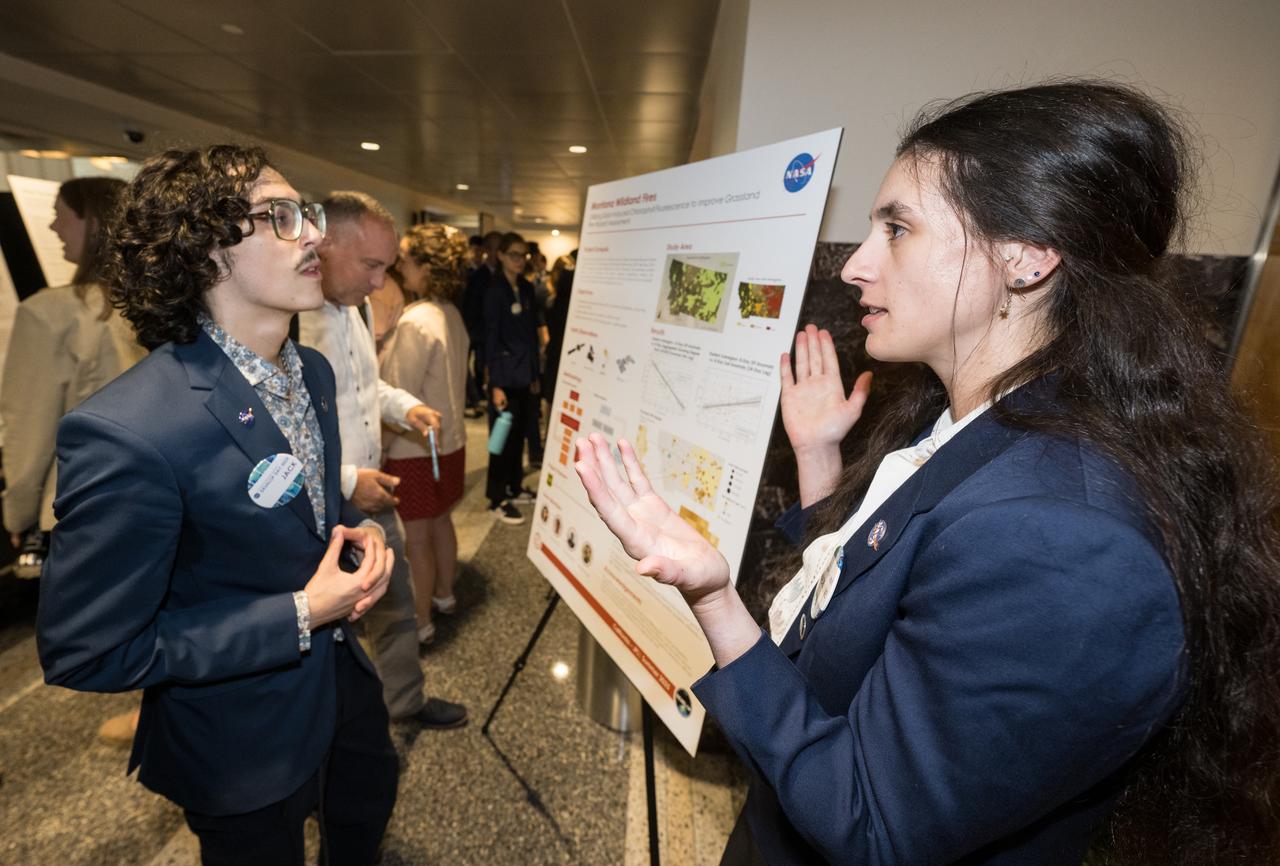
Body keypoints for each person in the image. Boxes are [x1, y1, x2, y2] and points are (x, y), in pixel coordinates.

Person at [574, 82, 1280, 865]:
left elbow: (871, 823)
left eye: (897, 228)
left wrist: (712, 597)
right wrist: (819, 460)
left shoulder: (1067, 539)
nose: (856, 266)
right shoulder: (969, 419)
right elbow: (881, 604)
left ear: (1029, 255)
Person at [37, 145, 401, 866]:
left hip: (344, 694)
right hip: (240, 743)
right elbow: (89, 648)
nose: (314, 236)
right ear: (204, 250)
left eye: (312, 216)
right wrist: (302, 612)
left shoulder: (315, 373)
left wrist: (353, 543)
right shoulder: (131, 428)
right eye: (283, 218)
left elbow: (299, 523)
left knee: (362, 821)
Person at [298, 191, 467, 730]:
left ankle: (405, 704)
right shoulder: (291, 319)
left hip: (372, 494)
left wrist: (408, 406)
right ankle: (333, 733)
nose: (379, 283)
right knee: (326, 632)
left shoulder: (358, 307)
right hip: (320, 505)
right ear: (324, 247)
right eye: (370, 265)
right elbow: (283, 428)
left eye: (386, 267)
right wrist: (348, 480)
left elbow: (367, 388)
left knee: (394, 607)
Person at [1, 177, 143, 568]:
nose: (52, 228)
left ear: (93, 222)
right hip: (152, 503)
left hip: (76, 512)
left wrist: (18, 513)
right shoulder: (157, 306)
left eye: (60, 216)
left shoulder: (48, 313)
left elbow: (29, 429)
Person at [380, 224, 471, 645]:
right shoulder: (450, 313)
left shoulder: (416, 321)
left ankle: (420, 623)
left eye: (407, 257)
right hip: (450, 441)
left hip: (415, 446)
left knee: (416, 538)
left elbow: (399, 392)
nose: (401, 265)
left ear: (425, 266)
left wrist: (378, 449)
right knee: (441, 520)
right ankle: (446, 596)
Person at [484, 232, 540, 524]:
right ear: (502, 256)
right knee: (501, 440)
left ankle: (515, 486)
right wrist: (494, 384)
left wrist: (534, 373)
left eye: (523, 255)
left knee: (519, 437)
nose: (520, 261)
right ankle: (496, 497)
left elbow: (531, 336)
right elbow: (490, 339)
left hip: (524, 375)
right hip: (504, 377)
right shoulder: (495, 292)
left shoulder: (528, 289)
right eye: (514, 255)